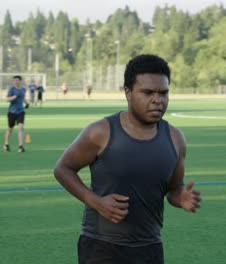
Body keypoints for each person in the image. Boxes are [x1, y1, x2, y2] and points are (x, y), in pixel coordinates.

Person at [54, 54, 201, 264]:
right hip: (101, 247)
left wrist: (182, 197)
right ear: (128, 93)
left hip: (149, 246)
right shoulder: (101, 132)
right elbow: (63, 169)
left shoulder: (175, 138)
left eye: (163, 93)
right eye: (148, 92)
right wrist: (96, 202)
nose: (157, 100)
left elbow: (173, 188)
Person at [4, 75, 29, 153]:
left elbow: (23, 97)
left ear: (20, 81)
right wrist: (14, 96)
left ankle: (20, 146)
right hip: (12, 112)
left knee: (21, 127)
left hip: (20, 111)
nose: (16, 82)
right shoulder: (12, 89)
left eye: (17, 80)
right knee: (10, 129)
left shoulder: (23, 89)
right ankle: (6, 144)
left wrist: (26, 103)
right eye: (14, 80)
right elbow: (7, 99)